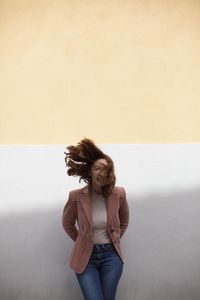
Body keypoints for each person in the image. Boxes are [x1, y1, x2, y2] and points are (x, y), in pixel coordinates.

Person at [62, 137, 129, 300]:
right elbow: (67, 224)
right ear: (89, 171)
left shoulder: (119, 193)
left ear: (110, 171)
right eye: (97, 168)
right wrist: (82, 240)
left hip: (111, 257)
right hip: (86, 258)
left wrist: (115, 238)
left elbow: (124, 221)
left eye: (105, 168)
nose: (101, 171)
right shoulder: (76, 196)